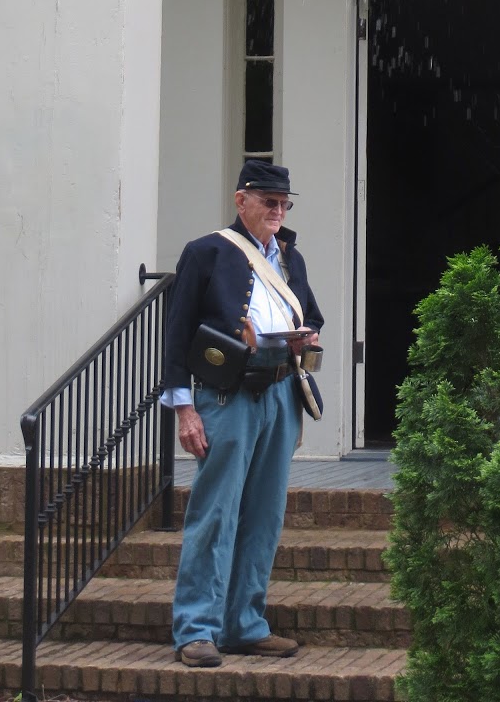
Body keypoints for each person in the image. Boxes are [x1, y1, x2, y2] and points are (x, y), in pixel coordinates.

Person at [161, 161, 323, 669]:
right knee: (215, 512)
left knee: (264, 516)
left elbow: (311, 315)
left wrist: (305, 337)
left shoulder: (291, 258)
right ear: (241, 200)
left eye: (284, 204)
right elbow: (177, 334)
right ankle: (196, 629)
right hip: (227, 396)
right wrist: (184, 410)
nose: (278, 211)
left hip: (281, 391)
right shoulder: (207, 251)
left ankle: (244, 625)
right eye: (269, 202)